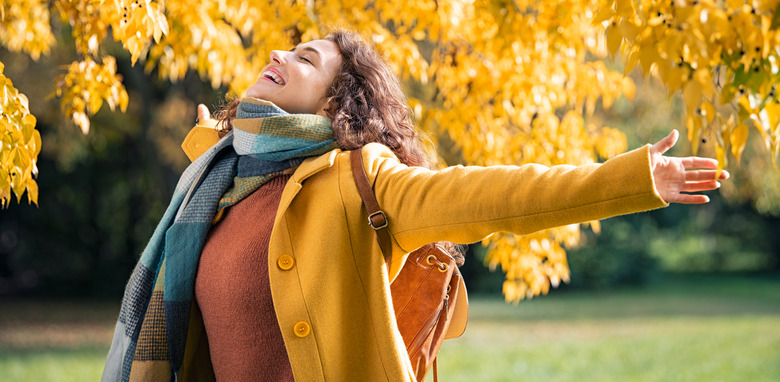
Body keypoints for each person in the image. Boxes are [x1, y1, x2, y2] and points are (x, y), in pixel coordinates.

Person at [102, 31, 727, 382]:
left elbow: (498, 195)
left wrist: (627, 179)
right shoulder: (214, 181)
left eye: (305, 59)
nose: (279, 57)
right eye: (287, 50)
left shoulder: (361, 180)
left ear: (336, 103)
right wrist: (213, 142)